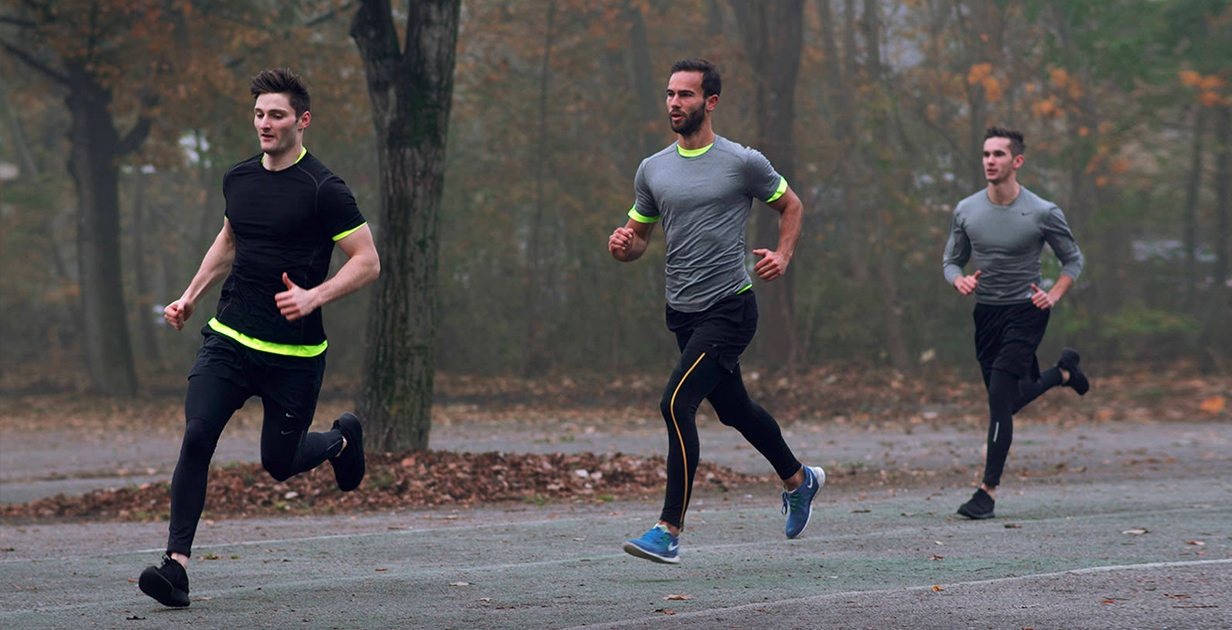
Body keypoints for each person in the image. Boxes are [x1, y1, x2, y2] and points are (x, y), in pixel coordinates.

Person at [137, 68, 380, 607]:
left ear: (302, 121)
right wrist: (190, 294)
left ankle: (341, 440)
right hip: (229, 338)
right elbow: (229, 240)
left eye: (276, 115)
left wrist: (314, 297)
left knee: (279, 462)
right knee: (198, 436)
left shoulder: (325, 189)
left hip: (293, 357)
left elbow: (368, 262)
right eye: (258, 115)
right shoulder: (239, 179)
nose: (264, 124)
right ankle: (175, 567)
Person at [607, 59, 824, 565]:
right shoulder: (652, 168)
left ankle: (668, 529)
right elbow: (637, 237)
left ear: (710, 101)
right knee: (734, 410)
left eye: (685, 94)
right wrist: (623, 246)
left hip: (729, 308)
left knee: (675, 404)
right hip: (681, 312)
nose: (674, 103)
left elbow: (790, 205)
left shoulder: (742, 162)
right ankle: (800, 480)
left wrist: (783, 255)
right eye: (669, 94)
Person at [942, 126, 1089, 520]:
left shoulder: (1042, 211)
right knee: (1005, 398)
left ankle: (986, 492)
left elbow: (1073, 260)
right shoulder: (967, 209)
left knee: (999, 398)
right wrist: (959, 279)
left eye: (998, 155)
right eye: (986, 154)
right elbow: (951, 261)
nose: (990, 160)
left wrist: (1053, 294)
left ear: (1017, 161)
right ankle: (1062, 373)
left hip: (1027, 311)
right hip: (986, 313)